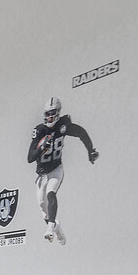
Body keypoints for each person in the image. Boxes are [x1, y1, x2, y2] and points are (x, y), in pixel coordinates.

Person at [27, 96, 98, 244]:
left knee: (51, 193)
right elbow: (30, 157)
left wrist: (90, 150)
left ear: (58, 112)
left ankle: (51, 228)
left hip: (56, 168)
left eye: (53, 113)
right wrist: (40, 149)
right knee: (42, 206)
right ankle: (56, 226)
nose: (50, 116)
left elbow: (81, 133)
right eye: (48, 113)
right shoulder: (39, 130)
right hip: (41, 174)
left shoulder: (63, 126)